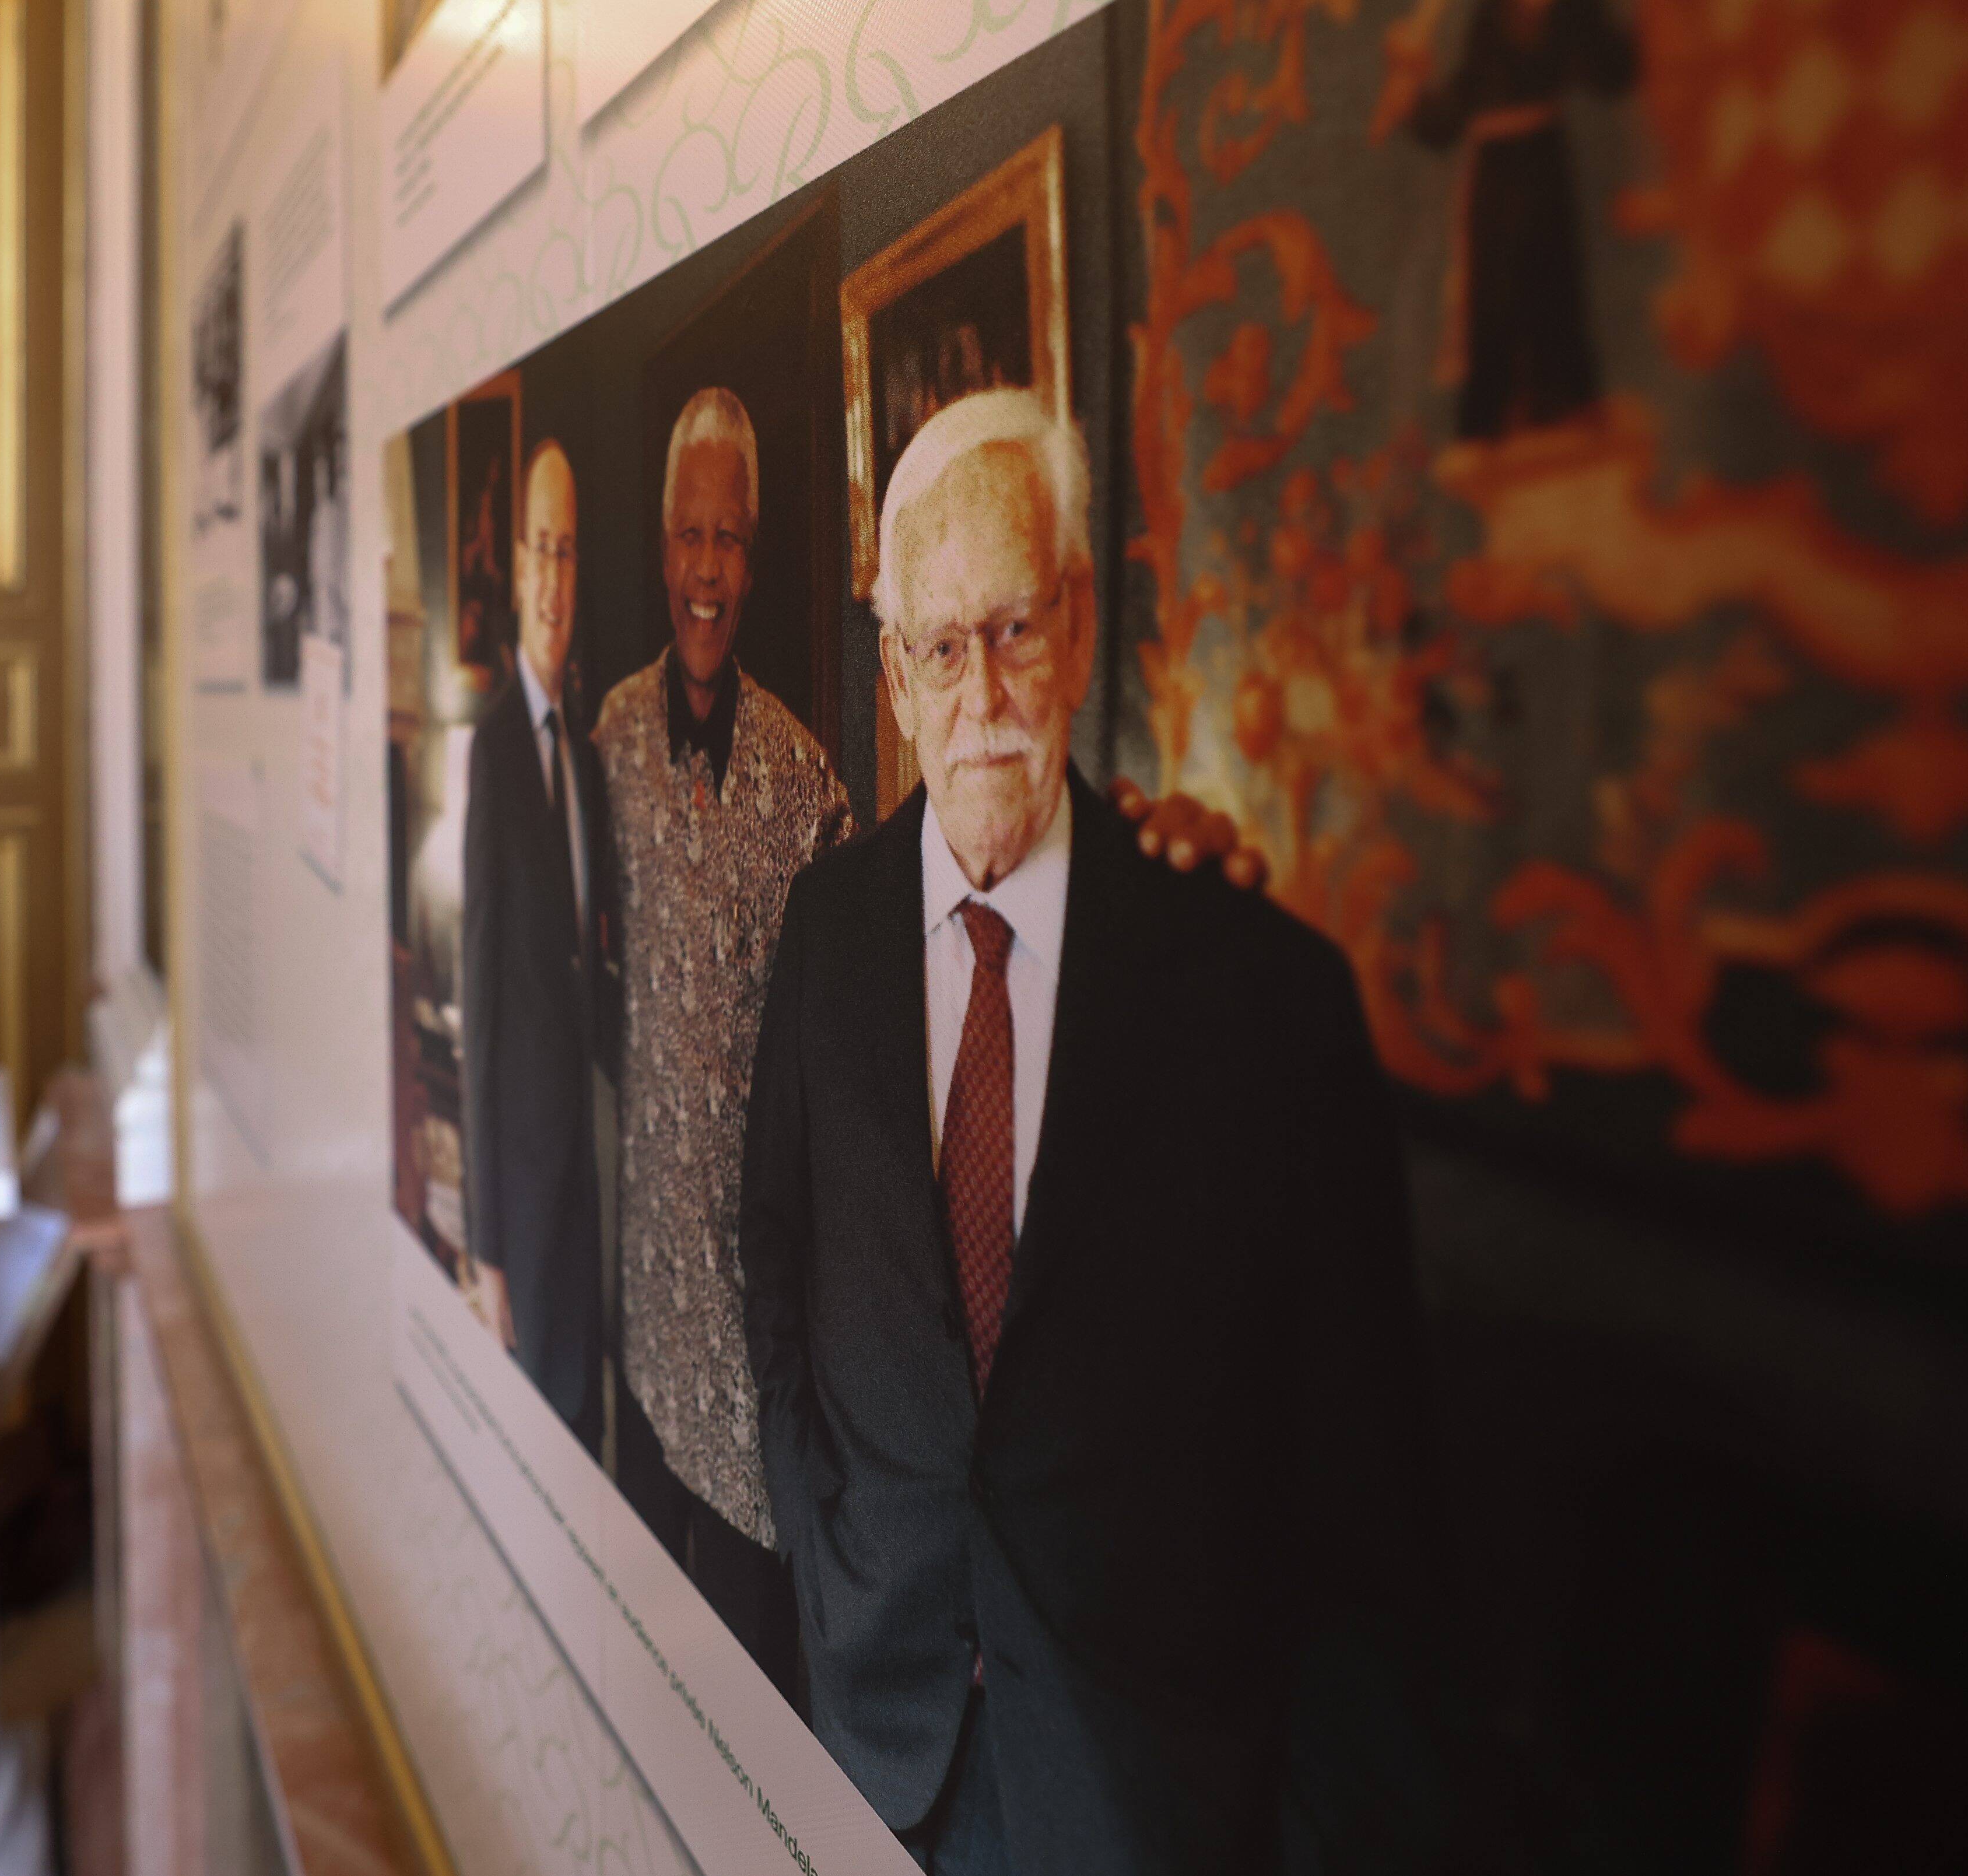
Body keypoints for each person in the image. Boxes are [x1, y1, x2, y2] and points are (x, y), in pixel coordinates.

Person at [739, 389, 1440, 1874]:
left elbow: (1359, 1509)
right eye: (940, 643)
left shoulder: (1261, 1000)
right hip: (878, 1746)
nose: (982, 687)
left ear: (1076, 617)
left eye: (1015, 626)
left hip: (1144, 1787)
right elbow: (780, 1256)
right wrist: (827, 1557)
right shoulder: (826, 932)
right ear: (892, 670)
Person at [591, 390, 847, 1705]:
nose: (707, 570)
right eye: (689, 536)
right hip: (635, 1330)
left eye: (731, 539)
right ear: (660, 546)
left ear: (755, 552)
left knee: (751, 1710)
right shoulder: (609, 745)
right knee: (638, 1684)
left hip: (755, 1373)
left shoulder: (812, 789)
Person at [460, 439, 620, 1451]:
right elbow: (479, 1005)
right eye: (541, 551)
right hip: (520, 1199)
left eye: (570, 555)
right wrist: (487, 1250)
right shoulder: (490, 747)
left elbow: (584, 973)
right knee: (534, 1457)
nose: (555, 578)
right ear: (516, 568)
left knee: (582, 1441)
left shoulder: (589, 755)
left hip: (584, 1184)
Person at [1380, 0, 1638, 443]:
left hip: (1541, 167)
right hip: (1495, 176)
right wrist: (1413, 88)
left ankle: (1560, 407)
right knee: (1492, 299)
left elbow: (1612, 73)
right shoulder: (1491, 10)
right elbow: (1452, 116)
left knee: (1550, 290)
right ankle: (1491, 424)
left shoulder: (1574, 0)